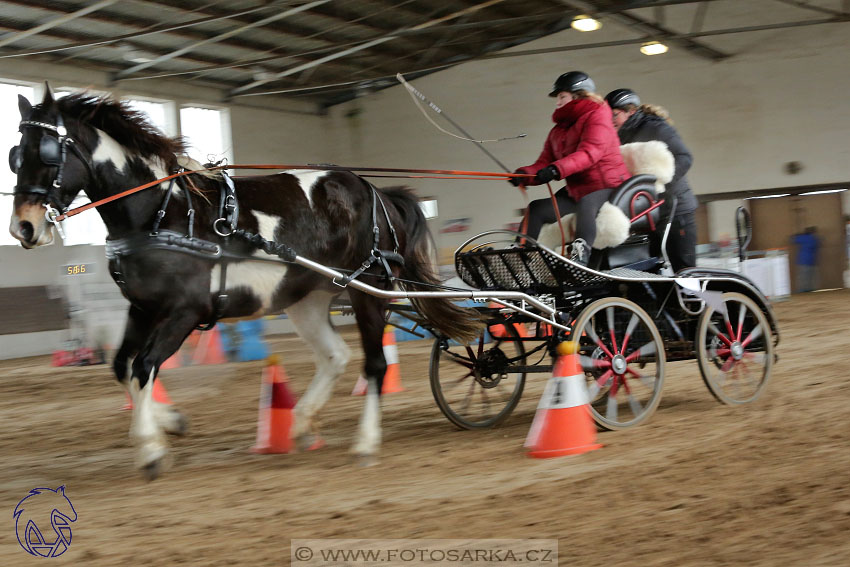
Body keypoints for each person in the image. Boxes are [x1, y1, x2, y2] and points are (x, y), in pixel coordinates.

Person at [509, 71, 630, 265]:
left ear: (578, 95)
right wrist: (524, 175)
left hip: (608, 185)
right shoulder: (558, 131)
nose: (557, 102)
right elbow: (544, 163)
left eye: (561, 96)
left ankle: (580, 257)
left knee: (586, 203)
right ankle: (520, 256)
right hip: (578, 189)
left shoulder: (598, 116)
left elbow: (591, 153)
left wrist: (556, 169)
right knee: (536, 208)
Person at [605, 88, 699, 271]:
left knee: (685, 270)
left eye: (614, 115)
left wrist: (658, 184)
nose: (610, 121)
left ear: (631, 111)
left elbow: (684, 158)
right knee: (648, 270)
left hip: (677, 211)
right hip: (648, 214)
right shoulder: (618, 138)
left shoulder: (656, 127)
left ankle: (697, 299)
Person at [792, 226, 820, 292]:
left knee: (802, 278)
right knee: (810, 278)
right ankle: (809, 291)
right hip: (812, 261)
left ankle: (802, 292)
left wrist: (799, 234)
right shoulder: (815, 239)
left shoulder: (804, 238)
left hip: (803, 261)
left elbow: (792, 240)